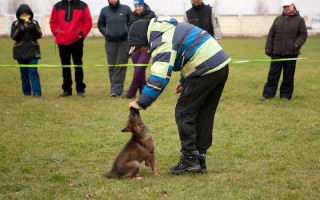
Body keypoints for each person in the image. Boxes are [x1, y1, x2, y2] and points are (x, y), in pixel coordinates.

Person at [127, 16, 230, 175]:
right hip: (219, 66)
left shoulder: (161, 41)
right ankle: (199, 158)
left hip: (203, 69)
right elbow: (188, 51)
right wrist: (184, 79)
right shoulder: (166, 29)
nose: (142, 51)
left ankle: (189, 159)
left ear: (143, 39)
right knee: (204, 112)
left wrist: (141, 102)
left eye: (140, 47)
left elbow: (159, 78)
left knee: (184, 111)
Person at [258, 0, 307, 101]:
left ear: (293, 5)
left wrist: (297, 44)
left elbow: (303, 34)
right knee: (273, 74)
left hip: (291, 53)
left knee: (288, 76)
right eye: (284, 7)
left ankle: (285, 95)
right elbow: (271, 35)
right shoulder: (277, 19)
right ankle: (267, 95)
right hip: (276, 53)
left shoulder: (300, 20)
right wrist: (268, 48)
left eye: (287, 6)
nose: (285, 8)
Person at [49, 0, 92, 97]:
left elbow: (88, 22)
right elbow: (52, 22)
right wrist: (57, 33)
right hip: (62, 41)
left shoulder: (83, 5)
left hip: (77, 41)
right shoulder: (57, 6)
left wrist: (81, 34)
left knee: (78, 65)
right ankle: (67, 90)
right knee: (65, 67)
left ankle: (80, 89)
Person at [121, 0, 156, 99]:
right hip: (135, 46)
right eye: (135, 6)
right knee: (139, 70)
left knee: (140, 68)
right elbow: (129, 32)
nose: (137, 8)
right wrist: (129, 48)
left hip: (146, 46)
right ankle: (144, 92)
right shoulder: (132, 17)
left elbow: (155, 30)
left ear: (143, 6)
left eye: (139, 6)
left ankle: (130, 93)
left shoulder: (151, 15)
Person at [97, 0, 132, 97]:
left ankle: (116, 90)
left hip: (124, 42)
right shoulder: (104, 10)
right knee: (112, 66)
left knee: (120, 66)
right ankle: (115, 89)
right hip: (110, 42)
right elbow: (100, 25)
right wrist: (107, 33)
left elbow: (132, 23)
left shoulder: (126, 9)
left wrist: (127, 33)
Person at [10, 4, 42, 98]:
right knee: (24, 74)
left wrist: (32, 26)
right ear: (19, 14)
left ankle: (37, 94)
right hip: (20, 52)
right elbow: (14, 37)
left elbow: (39, 35)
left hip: (33, 51)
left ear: (30, 14)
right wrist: (22, 28)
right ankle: (27, 93)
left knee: (33, 72)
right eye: (22, 14)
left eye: (26, 13)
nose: (24, 15)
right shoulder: (15, 24)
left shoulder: (34, 23)